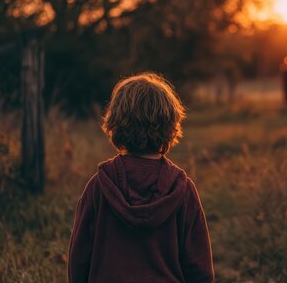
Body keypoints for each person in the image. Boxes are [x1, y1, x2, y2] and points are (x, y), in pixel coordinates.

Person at [68, 73, 214, 283]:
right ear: (171, 126)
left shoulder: (99, 186)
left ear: (116, 123)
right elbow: (200, 269)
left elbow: (79, 260)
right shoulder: (181, 189)